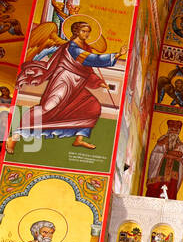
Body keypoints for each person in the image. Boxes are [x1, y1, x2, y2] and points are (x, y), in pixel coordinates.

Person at [18, 19, 118, 148]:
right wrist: (115, 56)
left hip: (78, 84)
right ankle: (16, 135)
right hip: (65, 80)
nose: (86, 34)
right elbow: (90, 59)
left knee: (92, 106)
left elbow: (87, 69)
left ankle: (79, 138)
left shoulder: (85, 47)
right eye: (84, 31)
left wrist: (98, 82)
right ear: (76, 32)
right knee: (48, 107)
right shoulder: (73, 47)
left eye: (88, 32)